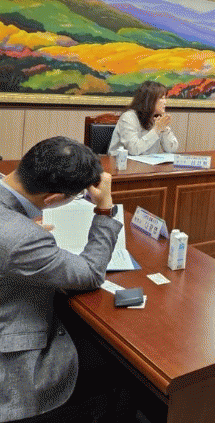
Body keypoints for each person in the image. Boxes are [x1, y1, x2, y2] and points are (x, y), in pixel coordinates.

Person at [0, 137, 122, 422]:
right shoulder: (22, 239)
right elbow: (90, 273)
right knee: (117, 362)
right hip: (13, 360)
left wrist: (22, 227)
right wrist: (104, 209)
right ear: (53, 199)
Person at [108, 80, 179, 155]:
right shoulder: (128, 117)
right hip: (121, 161)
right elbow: (134, 149)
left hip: (148, 161)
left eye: (165, 98)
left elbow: (171, 149)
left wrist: (164, 129)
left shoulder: (157, 119)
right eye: (162, 98)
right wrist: (156, 130)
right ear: (149, 100)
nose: (165, 102)